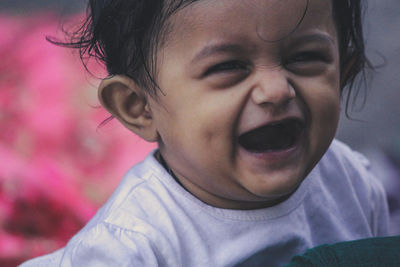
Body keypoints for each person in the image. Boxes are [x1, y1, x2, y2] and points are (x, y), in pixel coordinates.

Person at [21, 0, 390, 266]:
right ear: (139, 107)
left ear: (344, 69)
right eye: (229, 66)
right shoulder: (132, 248)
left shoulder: (353, 183)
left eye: (305, 57)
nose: (277, 90)